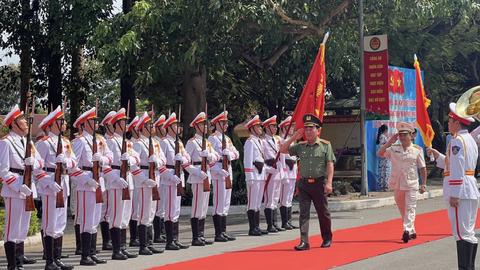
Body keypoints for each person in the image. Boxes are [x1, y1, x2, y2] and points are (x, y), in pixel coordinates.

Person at [427, 102, 479, 270]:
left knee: (460, 233)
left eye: (450, 121)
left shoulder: (457, 141)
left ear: (457, 122)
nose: (448, 124)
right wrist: (439, 156)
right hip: (469, 187)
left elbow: (457, 168)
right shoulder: (469, 139)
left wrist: (455, 194)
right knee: (468, 232)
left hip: (460, 190)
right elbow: (456, 164)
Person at [279, 113, 335, 251]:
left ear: (318, 130)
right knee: (303, 213)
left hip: (319, 183)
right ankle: (304, 241)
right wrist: (294, 137)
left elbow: (330, 164)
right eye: (306, 129)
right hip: (304, 185)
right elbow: (282, 150)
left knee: (323, 213)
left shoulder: (325, 145)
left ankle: (327, 237)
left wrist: (329, 182)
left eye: (312, 129)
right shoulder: (300, 146)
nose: (309, 131)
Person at [0, 105, 40, 269]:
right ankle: (12, 265)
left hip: (28, 186)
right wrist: (18, 185)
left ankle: (18, 261)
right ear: (14, 123)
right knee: (12, 227)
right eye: (22, 119)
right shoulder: (6, 143)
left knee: (23, 227)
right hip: (15, 189)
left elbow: (39, 163)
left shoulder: (28, 141)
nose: (25, 122)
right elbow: (3, 170)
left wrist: (33, 162)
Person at [36, 106, 75, 270]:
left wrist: (66, 161)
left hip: (63, 183)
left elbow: (74, 162)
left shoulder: (66, 142)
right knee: (50, 223)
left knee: (60, 223)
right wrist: (48, 182)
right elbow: (37, 169)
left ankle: (57, 259)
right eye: (61, 121)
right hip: (50, 184)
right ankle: (49, 261)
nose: (65, 124)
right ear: (53, 123)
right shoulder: (43, 143)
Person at [70, 108, 111, 266]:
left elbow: (110, 157)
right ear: (85, 123)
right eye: (92, 121)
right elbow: (73, 167)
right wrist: (87, 180)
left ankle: (92, 253)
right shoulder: (79, 141)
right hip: (86, 185)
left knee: (94, 220)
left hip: (98, 181)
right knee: (87, 220)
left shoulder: (100, 140)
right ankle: (85, 255)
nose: (95, 123)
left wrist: (101, 159)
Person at [377, 122, 427, 243]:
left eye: (405, 135)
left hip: (411, 183)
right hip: (397, 183)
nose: (402, 137)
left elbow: (422, 168)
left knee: (410, 207)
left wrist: (423, 183)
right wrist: (389, 142)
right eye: (400, 135)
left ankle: (406, 230)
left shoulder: (417, 150)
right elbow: (380, 153)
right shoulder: (394, 149)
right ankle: (412, 230)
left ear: (411, 135)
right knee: (402, 207)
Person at [103, 108, 139, 260]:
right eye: (123, 122)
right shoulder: (108, 142)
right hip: (116, 179)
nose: (126, 124)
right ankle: (116, 249)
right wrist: (114, 178)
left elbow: (137, 158)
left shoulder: (127, 142)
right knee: (116, 215)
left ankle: (122, 247)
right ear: (116, 124)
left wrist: (129, 159)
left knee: (125, 215)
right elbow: (104, 165)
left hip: (128, 179)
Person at [130, 112, 164, 255]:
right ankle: (143, 245)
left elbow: (163, 160)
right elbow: (133, 165)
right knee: (143, 212)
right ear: (143, 127)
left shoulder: (155, 142)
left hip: (154, 177)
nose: (152, 127)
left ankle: (149, 243)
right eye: (149, 125)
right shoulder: (137, 144)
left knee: (151, 212)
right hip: (144, 180)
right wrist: (143, 179)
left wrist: (156, 161)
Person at [186, 112, 220, 245]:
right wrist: (196, 172)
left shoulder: (207, 142)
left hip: (207, 174)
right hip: (198, 175)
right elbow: (186, 162)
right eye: (202, 124)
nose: (205, 127)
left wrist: (210, 156)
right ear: (196, 126)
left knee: (204, 206)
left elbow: (217, 156)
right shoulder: (192, 142)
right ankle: (195, 237)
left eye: (205, 124)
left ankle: (201, 234)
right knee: (197, 206)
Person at [208, 110, 240, 241]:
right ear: (217, 124)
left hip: (228, 170)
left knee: (226, 202)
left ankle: (223, 231)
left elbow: (236, 153)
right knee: (218, 202)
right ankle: (218, 233)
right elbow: (209, 160)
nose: (226, 125)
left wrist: (229, 154)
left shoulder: (227, 138)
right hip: (219, 171)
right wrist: (217, 170)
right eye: (224, 123)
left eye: (226, 123)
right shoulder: (212, 138)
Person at [243, 115, 268, 236]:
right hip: (253, 175)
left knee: (258, 202)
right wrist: (249, 177)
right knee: (252, 202)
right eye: (258, 126)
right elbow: (247, 160)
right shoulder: (250, 142)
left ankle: (257, 226)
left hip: (260, 174)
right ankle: (252, 228)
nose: (260, 128)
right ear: (252, 128)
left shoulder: (259, 141)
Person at [261, 115, 284, 233]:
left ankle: (275, 223)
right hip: (269, 170)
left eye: (275, 126)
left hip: (277, 171)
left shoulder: (277, 139)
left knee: (275, 198)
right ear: (267, 128)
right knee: (269, 198)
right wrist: (266, 169)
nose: (275, 128)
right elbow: (260, 158)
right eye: (273, 126)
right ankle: (269, 224)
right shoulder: (263, 141)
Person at [278, 116, 298, 230]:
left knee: (289, 197)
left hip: (292, 171)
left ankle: (289, 221)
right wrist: (284, 173)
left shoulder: (292, 141)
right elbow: (282, 158)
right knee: (284, 197)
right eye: (289, 127)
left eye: (293, 127)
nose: (292, 129)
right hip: (285, 171)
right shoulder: (282, 140)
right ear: (284, 128)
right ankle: (284, 222)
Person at [376, 124, 391, 191]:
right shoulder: (383, 137)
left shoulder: (381, 136)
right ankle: (384, 186)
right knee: (384, 171)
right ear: (386, 130)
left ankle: (382, 186)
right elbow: (382, 146)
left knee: (382, 170)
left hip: (382, 155)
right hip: (384, 155)